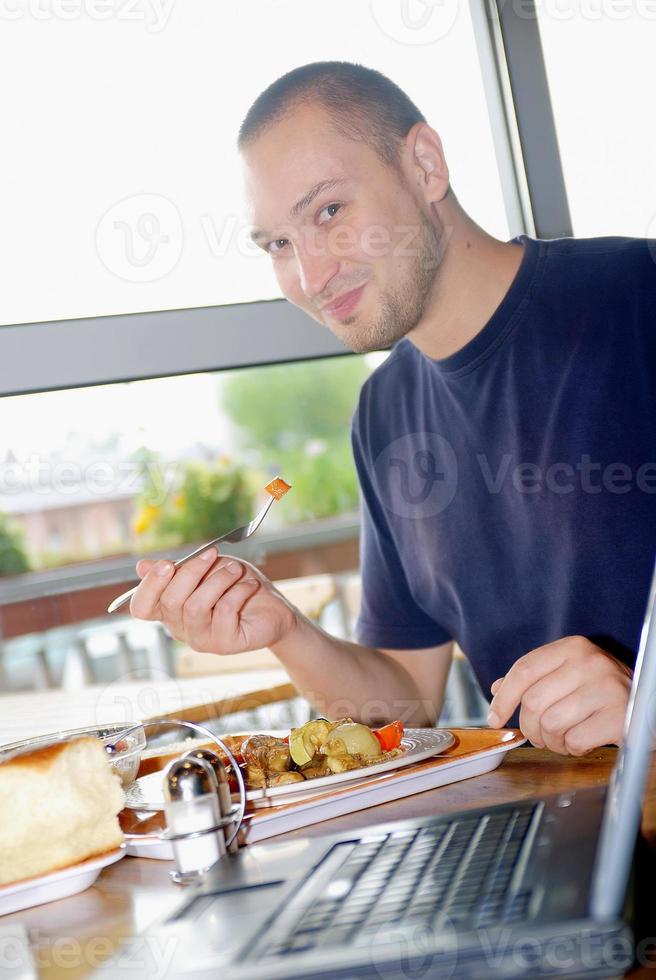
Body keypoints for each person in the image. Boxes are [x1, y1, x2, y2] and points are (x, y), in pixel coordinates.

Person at [130, 62, 656, 756]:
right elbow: (407, 697)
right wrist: (287, 630)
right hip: (560, 829)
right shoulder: (385, 411)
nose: (311, 276)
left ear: (426, 166)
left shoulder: (636, 298)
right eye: (279, 245)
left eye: (329, 212)